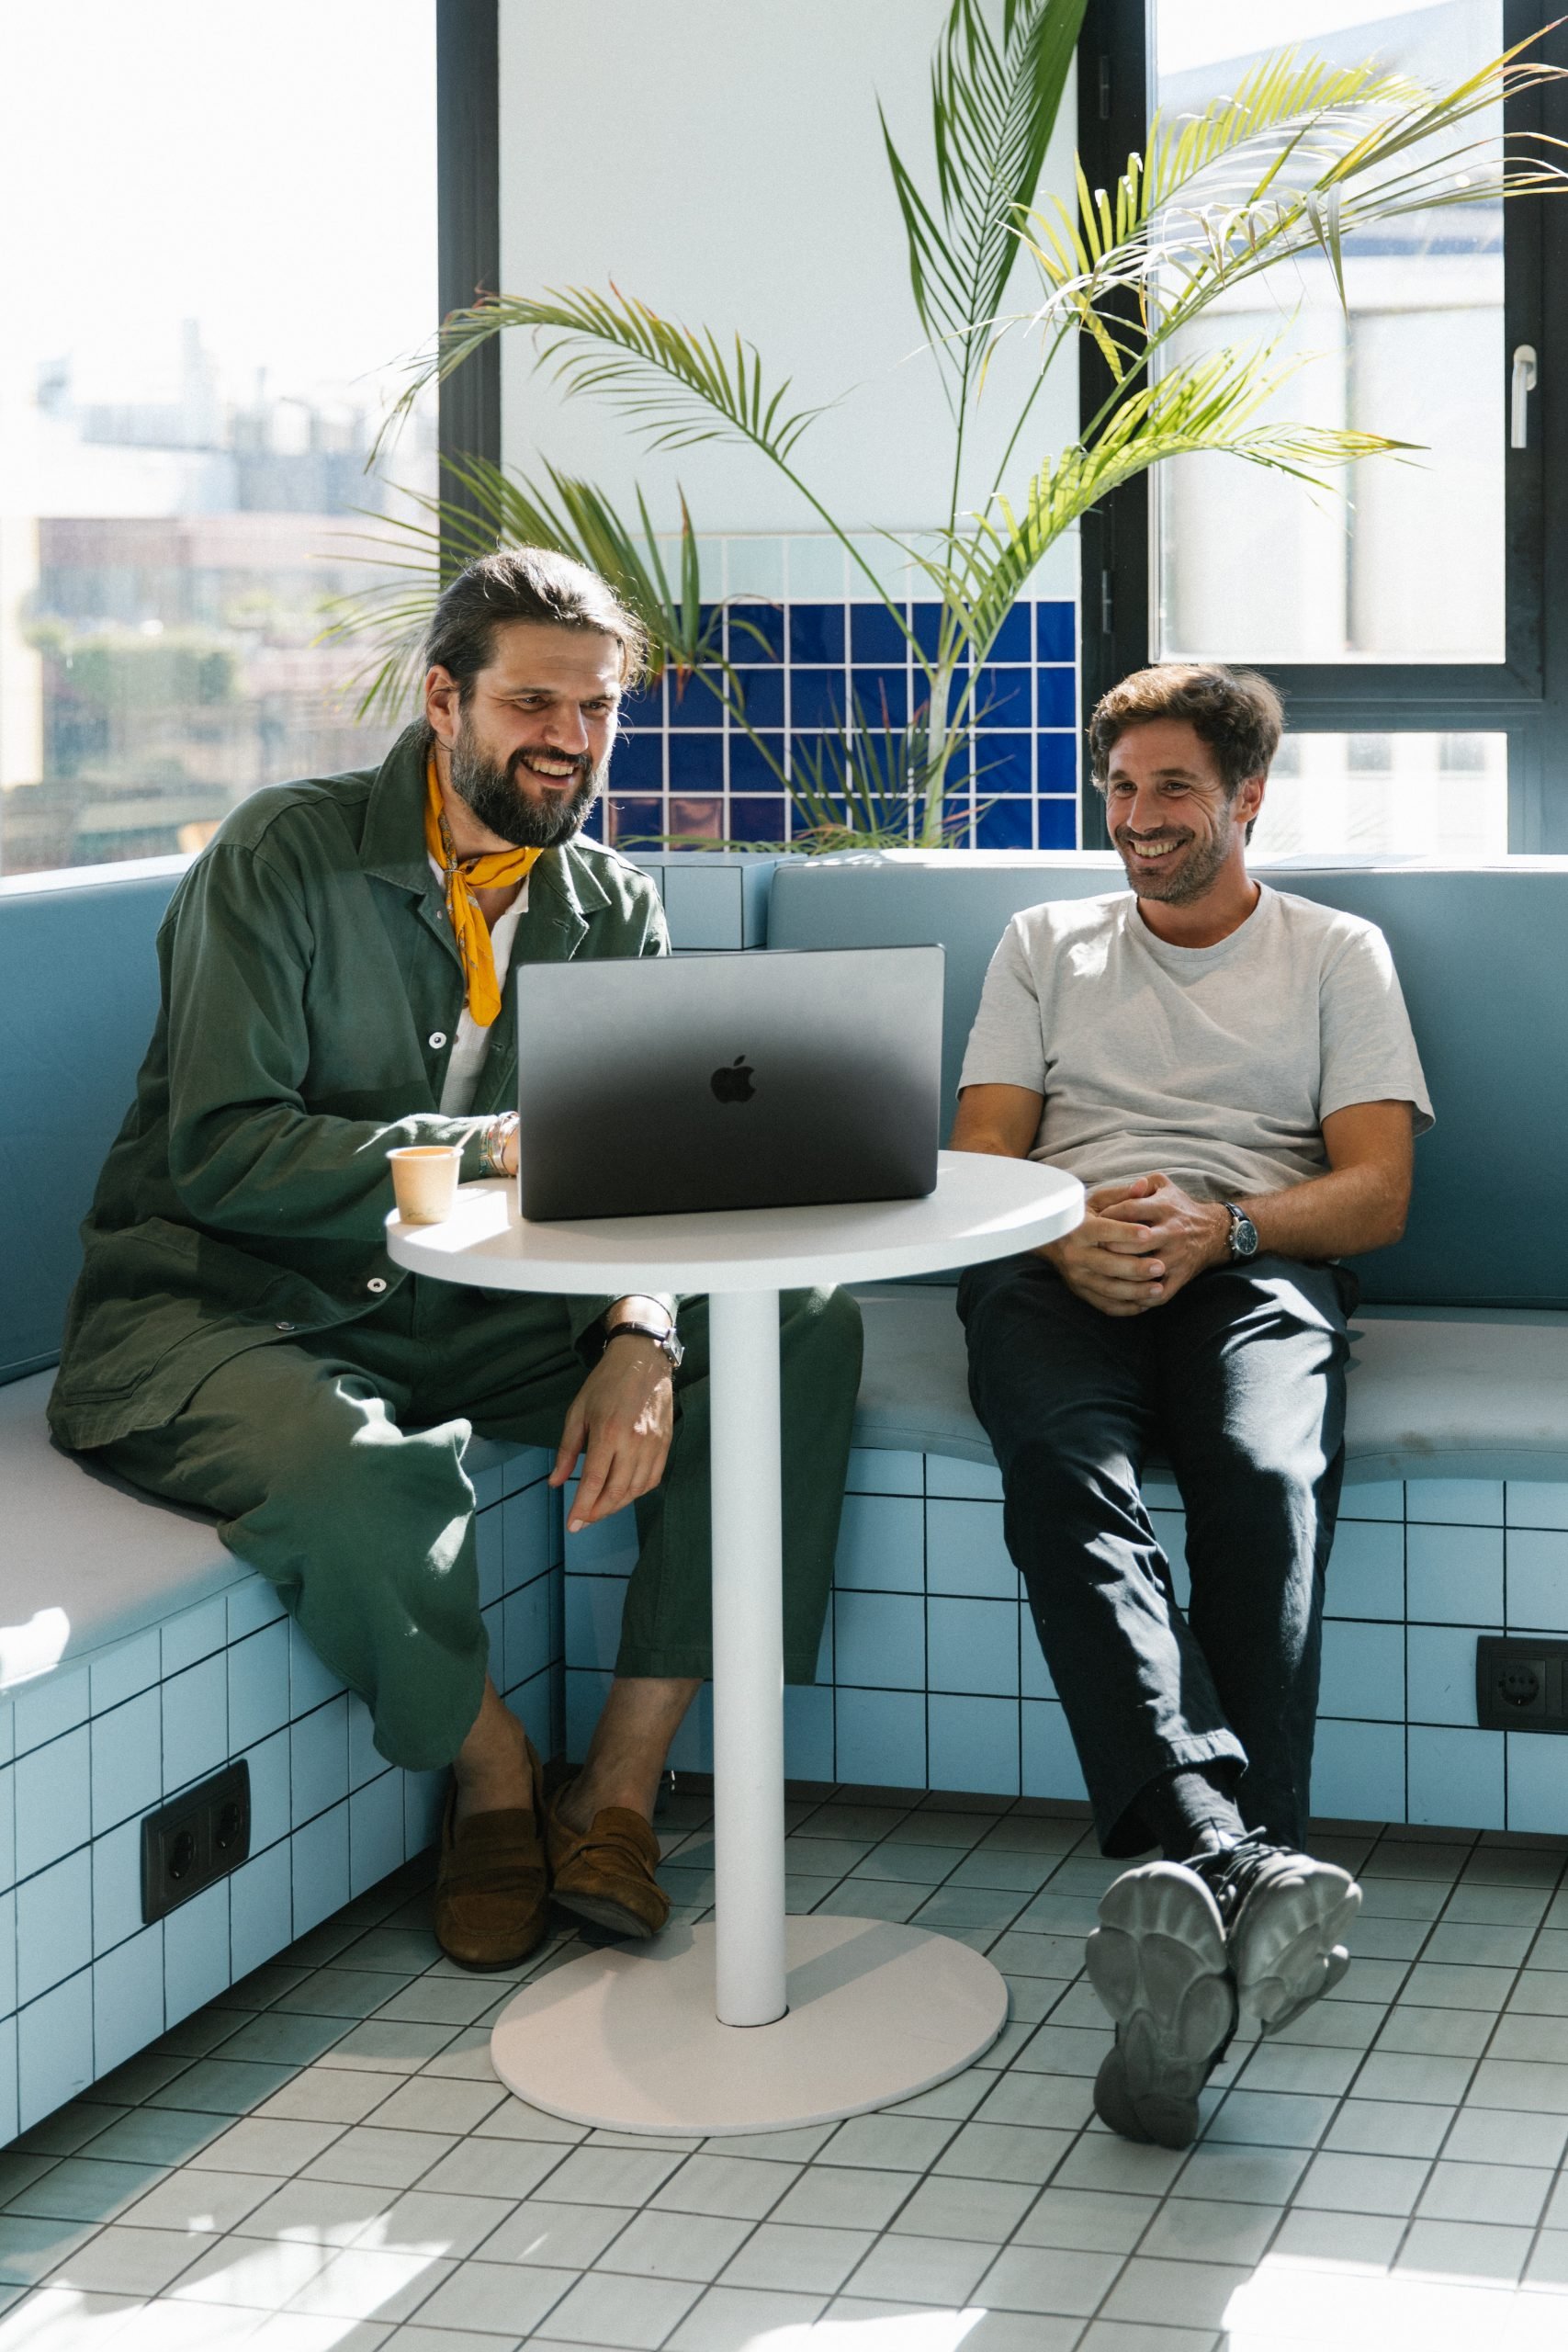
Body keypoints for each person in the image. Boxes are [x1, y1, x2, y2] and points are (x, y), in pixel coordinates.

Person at [50, 548, 863, 1971]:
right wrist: (492, 1149)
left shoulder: (611, 905)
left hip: (474, 1305)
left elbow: (649, 1175)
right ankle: (492, 1772)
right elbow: (226, 1153)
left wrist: (640, 1334)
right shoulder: (277, 862)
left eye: (600, 708)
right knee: (361, 1477)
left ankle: (615, 1783)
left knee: (799, 1312)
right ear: (444, 697)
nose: (571, 738)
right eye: (534, 702)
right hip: (237, 1303)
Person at [952, 662, 1431, 2148]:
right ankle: (1245, 1862)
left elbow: (1377, 1195)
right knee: (1060, 1469)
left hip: (1251, 1264)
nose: (1138, 818)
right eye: (1120, 788)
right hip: (1055, 1263)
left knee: (1262, 1477)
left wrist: (1220, 1229)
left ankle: (1207, 1872)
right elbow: (983, 1160)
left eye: (1171, 788)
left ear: (1244, 800)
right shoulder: (1044, 942)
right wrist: (1062, 1231)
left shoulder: (1337, 952)